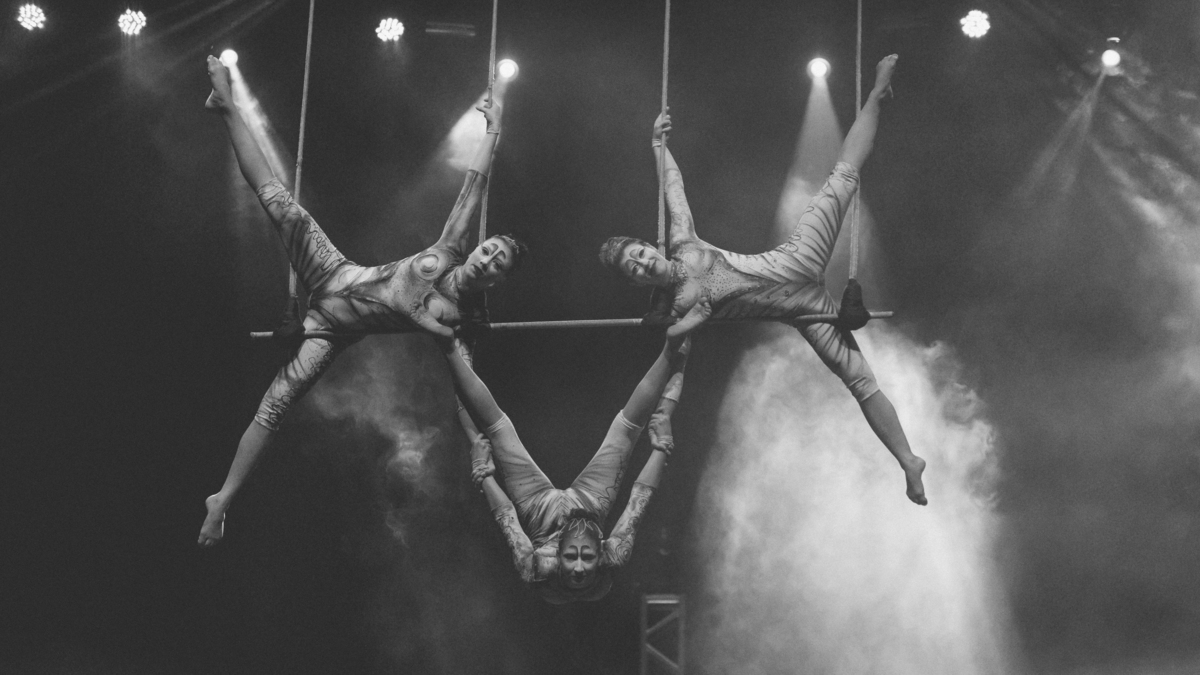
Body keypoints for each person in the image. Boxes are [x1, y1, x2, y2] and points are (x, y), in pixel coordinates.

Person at [198, 56, 527, 546]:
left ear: (497, 281)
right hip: (334, 270)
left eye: (498, 264)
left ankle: (222, 499)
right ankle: (227, 107)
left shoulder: (459, 321)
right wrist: (494, 131)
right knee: (282, 207)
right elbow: (473, 186)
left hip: (332, 329)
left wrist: (477, 441)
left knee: (275, 405)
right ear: (478, 248)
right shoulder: (449, 249)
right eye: (490, 250)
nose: (488, 260)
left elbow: (468, 395)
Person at [598, 55, 927, 505]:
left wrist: (657, 146)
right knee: (860, 382)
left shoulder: (684, 243)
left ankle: (876, 95)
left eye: (638, 254)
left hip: (795, 259)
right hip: (804, 311)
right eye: (632, 269)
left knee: (843, 178)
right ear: (635, 283)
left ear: (648, 246)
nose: (640, 264)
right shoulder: (677, 311)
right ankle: (909, 460)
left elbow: (674, 188)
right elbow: (674, 367)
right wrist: (666, 408)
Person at [441, 329, 694, 603]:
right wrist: (662, 446)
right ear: (601, 552)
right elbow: (640, 497)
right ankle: (675, 344)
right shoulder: (615, 555)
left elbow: (506, 516)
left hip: (540, 513)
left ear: (557, 553)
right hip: (591, 504)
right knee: (628, 429)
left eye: (572, 557)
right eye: (586, 557)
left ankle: (453, 347)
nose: (579, 568)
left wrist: (483, 472)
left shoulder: (535, 568)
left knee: (495, 431)